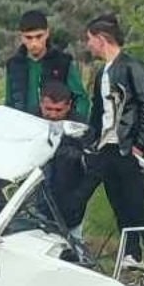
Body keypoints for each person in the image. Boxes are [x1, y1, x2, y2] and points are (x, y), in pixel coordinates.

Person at [73, 14, 144, 265]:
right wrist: (90, 140)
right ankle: (131, 252)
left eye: (90, 39)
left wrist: (141, 143)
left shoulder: (133, 67)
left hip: (129, 146)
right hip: (106, 146)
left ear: (101, 39)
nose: (88, 44)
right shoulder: (102, 73)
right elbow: (98, 111)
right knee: (118, 201)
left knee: (136, 201)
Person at [4, 10, 90, 119]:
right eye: (28, 37)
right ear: (21, 37)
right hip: (23, 127)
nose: (34, 43)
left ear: (47, 33)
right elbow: (9, 102)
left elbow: (81, 98)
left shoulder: (63, 62)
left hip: (57, 126)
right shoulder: (13, 65)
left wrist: (75, 125)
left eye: (39, 36)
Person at [38, 81, 92, 237]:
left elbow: (94, 168)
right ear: (41, 103)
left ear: (69, 106)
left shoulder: (81, 129)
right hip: (36, 198)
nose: (53, 115)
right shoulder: (28, 120)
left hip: (70, 198)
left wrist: (79, 198)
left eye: (58, 110)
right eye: (48, 109)